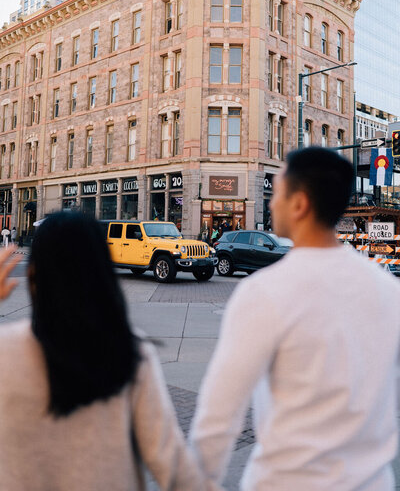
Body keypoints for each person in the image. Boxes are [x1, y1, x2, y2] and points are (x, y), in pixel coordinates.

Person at [190, 147, 400, 491]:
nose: (271, 202)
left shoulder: (264, 293)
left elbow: (218, 417)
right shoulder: (388, 291)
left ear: (299, 204)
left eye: (278, 191)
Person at [0, 212, 209, 491]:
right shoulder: (131, 353)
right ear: (103, 270)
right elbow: (175, 468)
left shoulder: (5, 350)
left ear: (32, 273)